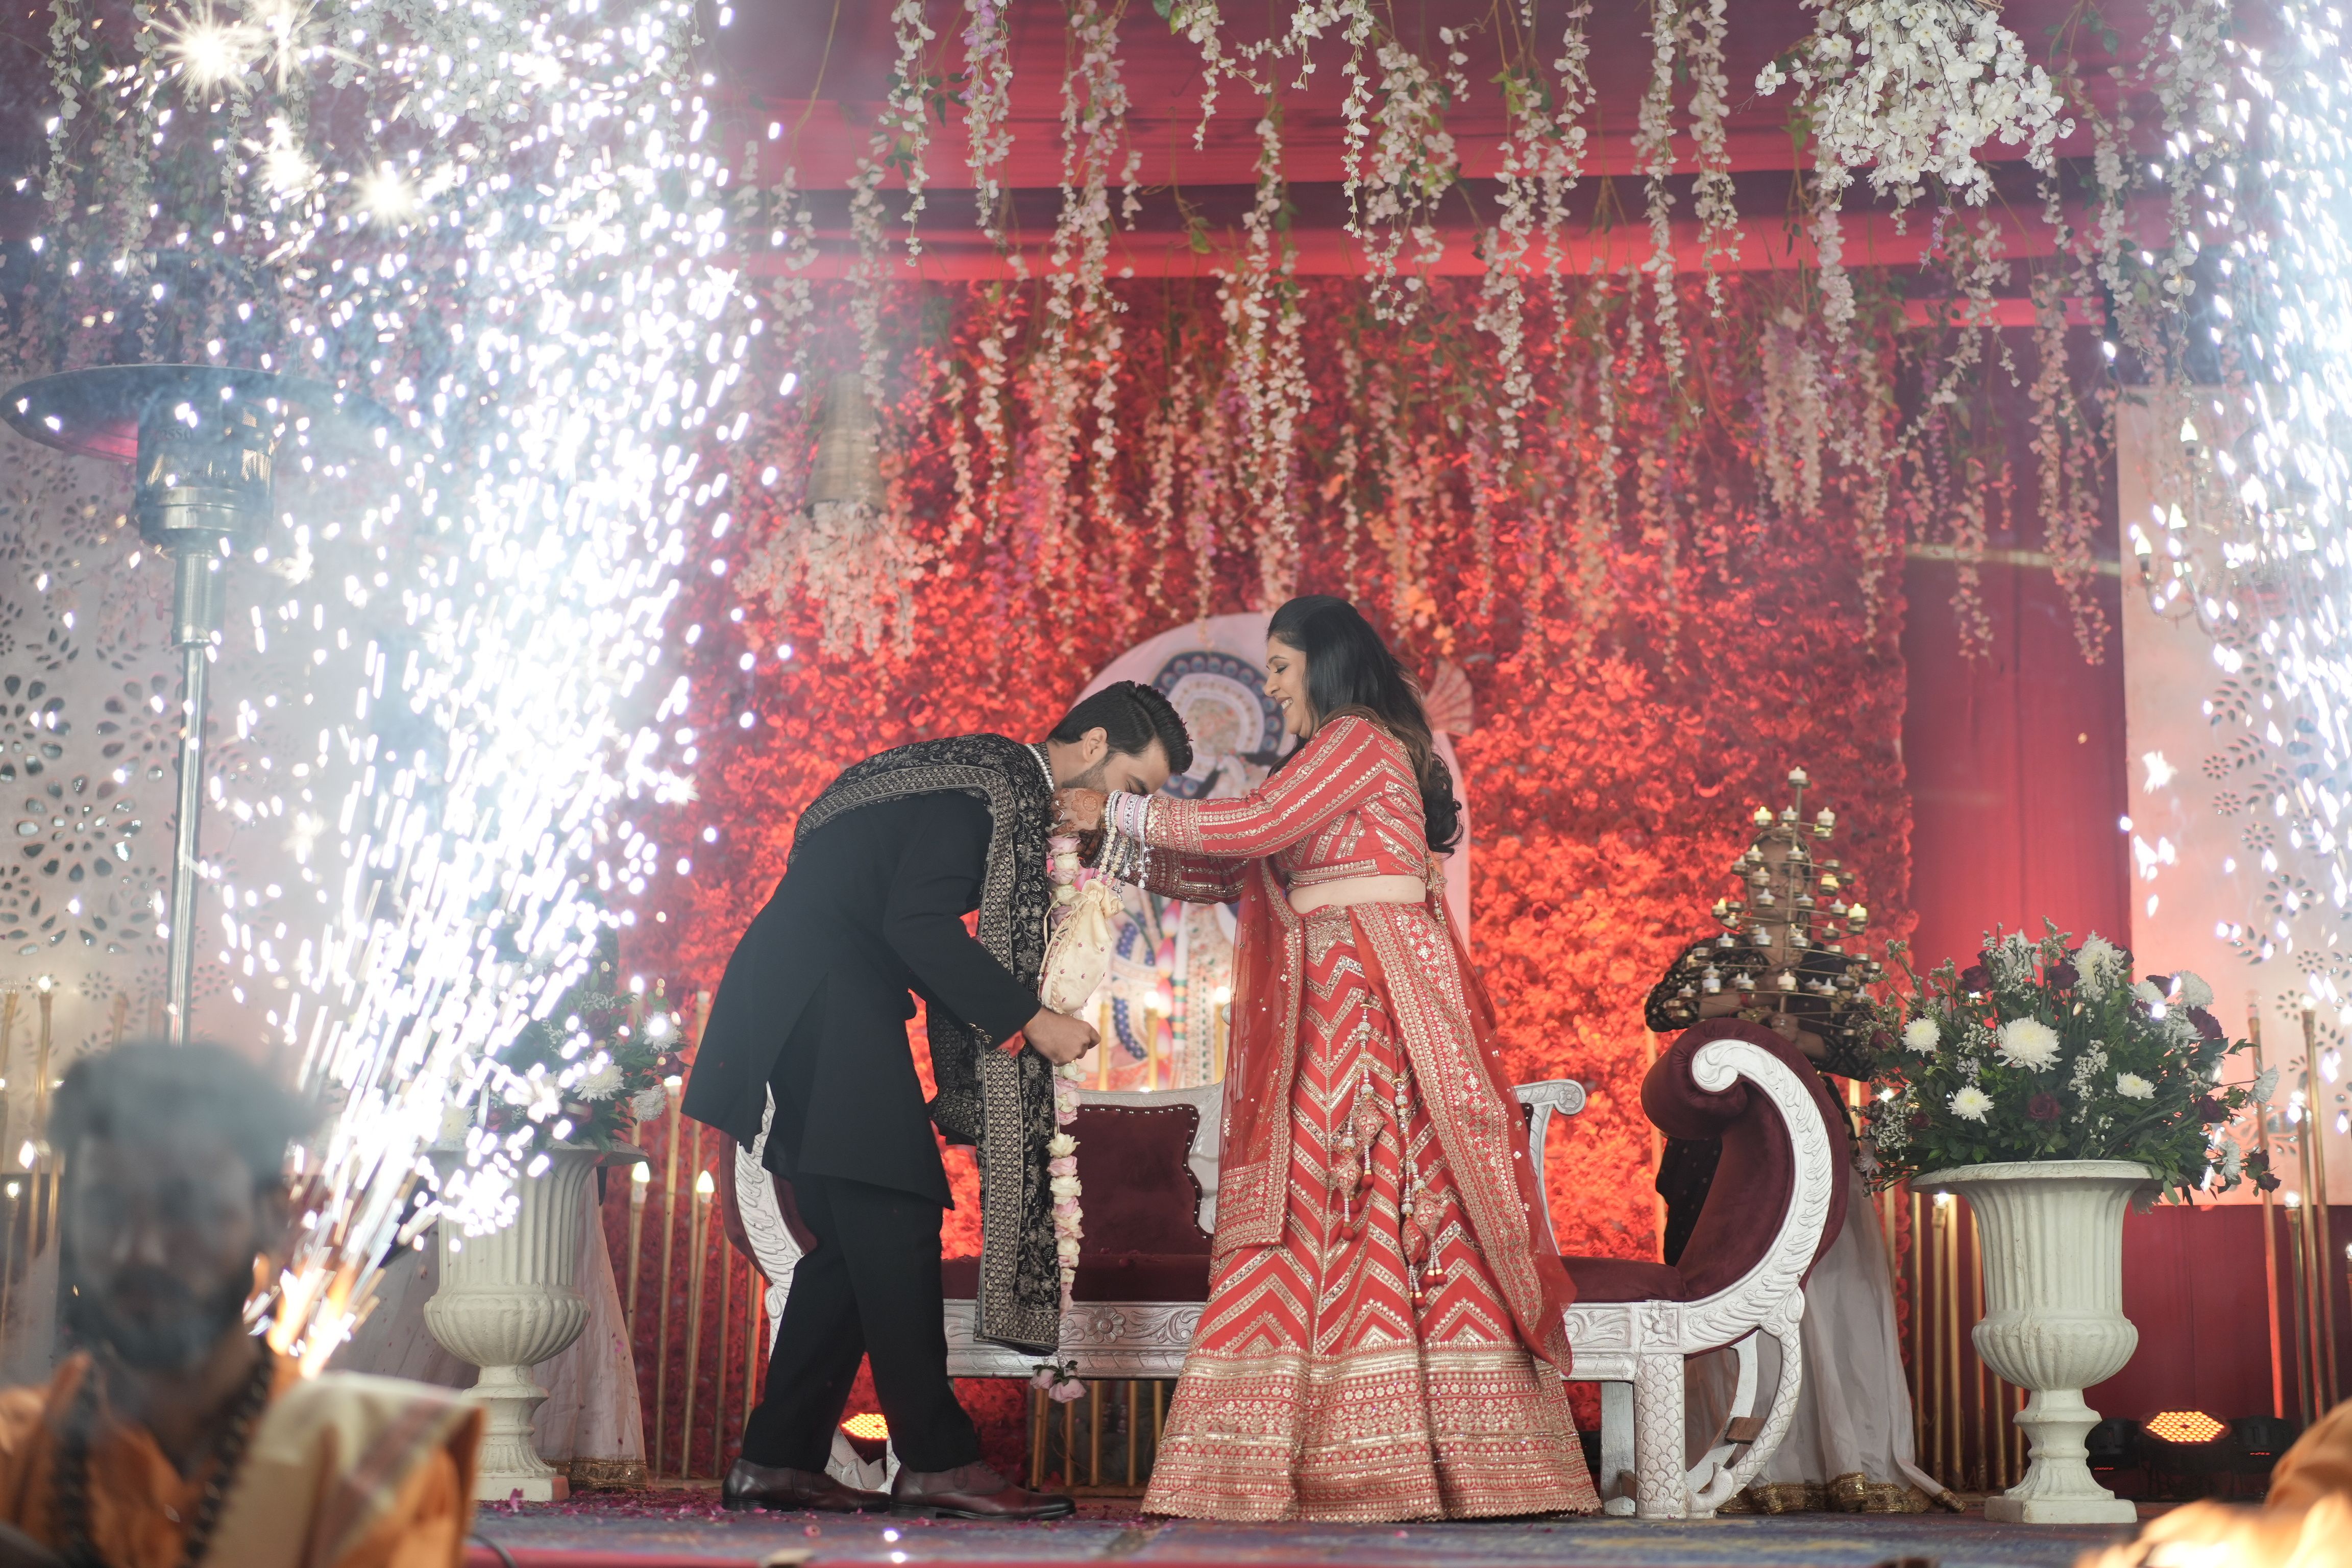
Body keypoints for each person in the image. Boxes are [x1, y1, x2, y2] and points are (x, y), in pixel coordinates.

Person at [1061, 597, 1598, 1523]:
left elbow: (1249, 826)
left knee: (1369, 1196)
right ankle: (1347, 1457)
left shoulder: (1355, 739)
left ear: (1328, 661)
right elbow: (1228, 866)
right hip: (1333, 1002)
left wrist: (1114, 808)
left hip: (1370, 1006)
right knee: (1329, 1206)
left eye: (1281, 666)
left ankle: (1390, 1462)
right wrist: (1105, 840)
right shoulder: (1328, 760)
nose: (1272, 685)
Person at [684, 682, 1192, 1520]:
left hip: (813, 992)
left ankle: (774, 1459)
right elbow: (916, 924)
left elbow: (901, 916)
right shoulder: (983, 792)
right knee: (897, 1210)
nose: (1116, 815)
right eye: (1128, 789)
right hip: (823, 995)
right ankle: (938, 1461)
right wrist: (1029, 1020)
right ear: (1095, 744)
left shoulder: (979, 782)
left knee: (856, 1242)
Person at [0, 1043, 480, 1568]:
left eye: (185, 1208)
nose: (140, 1250)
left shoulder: (369, 1469)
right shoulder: (15, 1450)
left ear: (273, 1218)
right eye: (106, 1209)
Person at [1645, 809, 1951, 1513]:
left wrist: (1802, 1042)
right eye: (1766, 870)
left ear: (1812, 887)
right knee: (1720, 1289)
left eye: (1792, 873)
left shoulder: (1831, 967)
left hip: (1812, 1137)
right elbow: (1662, 1009)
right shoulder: (1717, 955)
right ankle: (1730, 1462)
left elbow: (1873, 1054)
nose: (1777, 884)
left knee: (1827, 1289)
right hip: (1720, 1146)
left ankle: (1841, 1455)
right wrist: (1742, 1005)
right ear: (1745, 882)